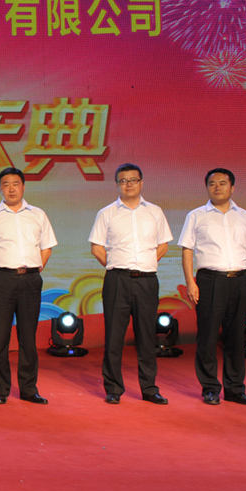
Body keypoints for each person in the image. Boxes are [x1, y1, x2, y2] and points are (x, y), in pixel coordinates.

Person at [88, 163, 172, 405]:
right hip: (117, 280)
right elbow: (96, 247)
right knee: (114, 336)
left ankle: (149, 388)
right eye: (123, 181)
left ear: (141, 183)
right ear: (117, 184)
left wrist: (145, 263)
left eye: (133, 180)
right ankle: (113, 388)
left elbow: (163, 245)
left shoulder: (155, 212)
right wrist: (117, 264)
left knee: (146, 336)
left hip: (146, 280)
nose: (128, 184)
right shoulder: (106, 213)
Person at [179, 168, 246, 406]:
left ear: (232, 187)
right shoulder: (196, 216)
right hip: (210, 281)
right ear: (207, 187)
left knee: (236, 336)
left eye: (222, 183)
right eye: (212, 183)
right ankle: (210, 388)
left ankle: (235, 389)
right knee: (207, 336)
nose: (217, 187)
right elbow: (187, 250)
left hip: (240, 280)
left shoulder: (244, 216)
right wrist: (190, 282)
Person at [0, 167, 57, 405]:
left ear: (23, 187)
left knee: (28, 338)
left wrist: (35, 268)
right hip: (1, 280)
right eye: (6, 184)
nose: (11, 189)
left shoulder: (38, 214)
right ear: (0, 188)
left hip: (30, 280)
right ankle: (1, 389)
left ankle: (29, 389)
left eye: (16, 184)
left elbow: (47, 247)